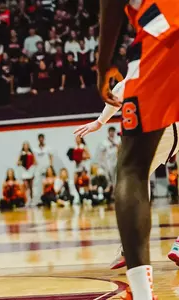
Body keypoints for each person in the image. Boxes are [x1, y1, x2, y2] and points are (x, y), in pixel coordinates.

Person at [77, 0, 179, 289]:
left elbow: (119, 89)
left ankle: (137, 275)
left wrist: (102, 64)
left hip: (165, 33)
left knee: (133, 172)